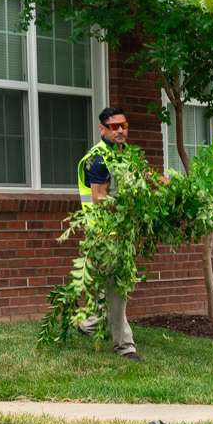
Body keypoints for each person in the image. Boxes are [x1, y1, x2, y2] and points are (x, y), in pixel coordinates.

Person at [76, 107, 139, 361]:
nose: (121, 130)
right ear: (102, 129)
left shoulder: (123, 154)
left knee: (107, 284)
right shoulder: (99, 158)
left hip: (120, 229)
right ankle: (125, 345)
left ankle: (89, 324)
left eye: (124, 125)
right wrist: (129, 204)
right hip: (104, 232)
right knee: (117, 287)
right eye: (114, 127)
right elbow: (98, 197)